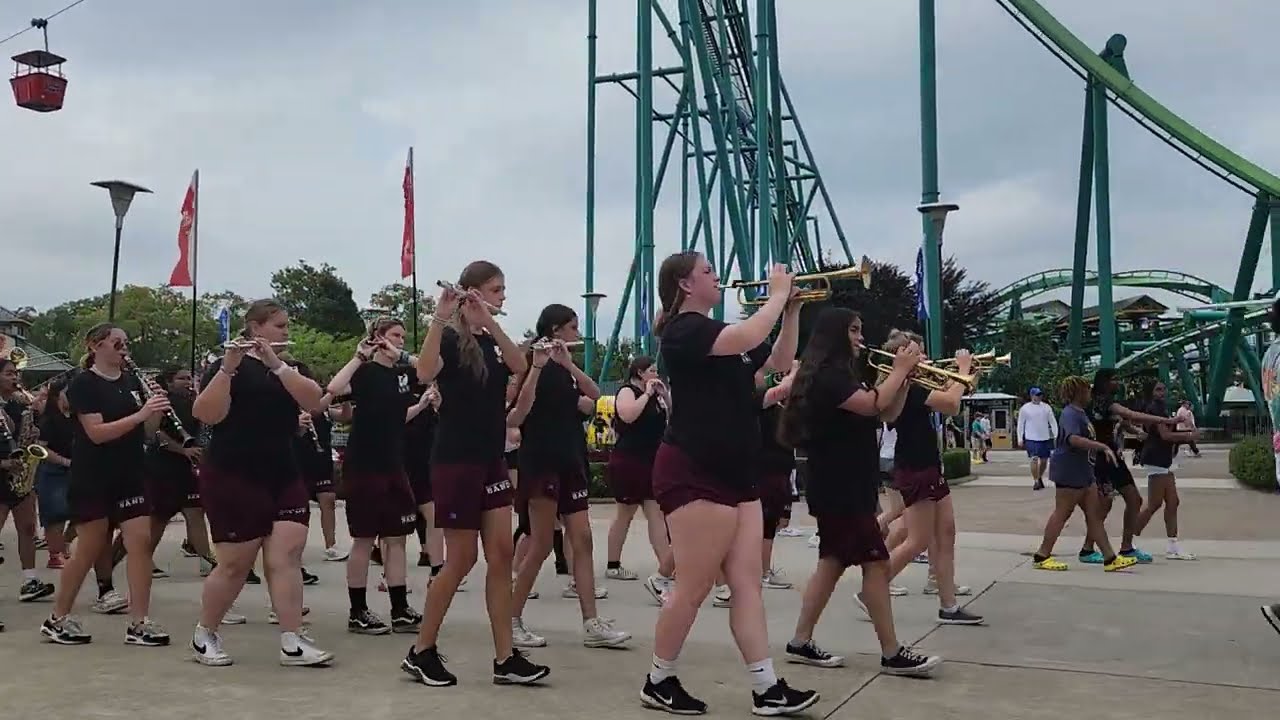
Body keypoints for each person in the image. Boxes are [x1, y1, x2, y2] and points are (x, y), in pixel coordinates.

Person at [640, 252, 817, 716]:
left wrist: (792, 310)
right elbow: (748, 333)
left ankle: (766, 686)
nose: (717, 278)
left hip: (738, 472)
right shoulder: (685, 330)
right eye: (707, 272)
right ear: (684, 284)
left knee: (747, 584)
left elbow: (776, 358)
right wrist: (777, 296)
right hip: (695, 469)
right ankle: (659, 679)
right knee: (694, 587)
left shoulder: (721, 335)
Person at [403, 260, 550, 687]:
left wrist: (487, 319)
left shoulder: (490, 341)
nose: (503, 297)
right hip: (455, 460)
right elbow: (424, 372)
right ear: (473, 290)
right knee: (462, 558)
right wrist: (440, 315)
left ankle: (505, 658)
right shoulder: (448, 338)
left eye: (503, 290)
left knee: (501, 554)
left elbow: (519, 365)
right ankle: (421, 650)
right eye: (496, 289)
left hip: (490, 459)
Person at [779, 307, 941, 676]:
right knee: (876, 562)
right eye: (854, 330)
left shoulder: (841, 374)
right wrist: (898, 370)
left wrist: (902, 380)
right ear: (837, 334)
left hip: (846, 483)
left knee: (832, 563)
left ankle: (800, 641)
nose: (860, 338)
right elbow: (870, 404)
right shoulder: (828, 377)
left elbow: (885, 414)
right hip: (840, 486)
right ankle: (891, 651)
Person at [190, 300, 333, 667]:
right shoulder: (226, 367)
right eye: (279, 326)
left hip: (282, 470)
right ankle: (205, 632)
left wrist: (277, 364)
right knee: (236, 564)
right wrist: (227, 369)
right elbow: (207, 414)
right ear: (256, 328)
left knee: (286, 555)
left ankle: (292, 640)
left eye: (287, 325)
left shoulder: (288, 368)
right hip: (233, 472)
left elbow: (314, 401)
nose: (287, 332)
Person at [507, 304, 629, 649]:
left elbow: (593, 397)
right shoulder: (530, 365)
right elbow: (517, 414)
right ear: (556, 330)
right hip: (540, 461)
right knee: (542, 543)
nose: (578, 335)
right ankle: (512, 618)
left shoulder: (563, 368)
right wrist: (539, 365)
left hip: (570, 459)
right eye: (573, 328)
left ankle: (592, 623)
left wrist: (568, 363)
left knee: (584, 540)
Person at [41, 323, 169, 646]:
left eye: (125, 343)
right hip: (94, 475)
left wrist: (155, 407)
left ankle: (139, 622)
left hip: (131, 474)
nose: (124, 348)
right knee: (89, 548)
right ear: (95, 346)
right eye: (116, 343)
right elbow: (97, 434)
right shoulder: (84, 384)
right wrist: (141, 414)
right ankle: (57, 618)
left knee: (140, 542)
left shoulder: (131, 381)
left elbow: (149, 431)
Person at [327, 317, 423, 635]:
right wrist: (359, 356)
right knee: (365, 540)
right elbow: (334, 390)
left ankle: (400, 609)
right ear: (378, 338)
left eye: (403, 336)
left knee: (396, 538)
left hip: (395, 464)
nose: (400, 340)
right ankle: (358, 611)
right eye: (395, 335)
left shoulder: (404, 373)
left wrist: (421, 403)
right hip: (364, 465)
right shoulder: (365, 372)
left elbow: (430, 373)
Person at [1030, 376, 1138, 572]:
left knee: (1094, 515)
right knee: (1063, 513)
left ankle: (1110, 558)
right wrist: (1101, 446)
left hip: (1083, 472)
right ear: (1079, 392)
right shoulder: (1070, 414)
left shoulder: (1080, 413)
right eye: (1087, 389)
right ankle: (1042, 555)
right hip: (1069, 471)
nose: (1090, 392)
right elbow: (1073, 439)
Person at [1075, 369, 1179, 565]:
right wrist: (1167, 421)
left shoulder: (1107, 403)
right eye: (1113, 380)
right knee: (1104, 505)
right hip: (1100, 458)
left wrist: (1135, 431)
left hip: (1114, 457)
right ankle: (1087, 550)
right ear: (1104, 382)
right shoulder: (1102, 401)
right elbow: (1129, 414)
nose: (1117, 383)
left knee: (1134, 499)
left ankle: (1127, 547)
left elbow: (1120, 422)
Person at [604, 356, 673, 590]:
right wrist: (646, 394)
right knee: (625, 512)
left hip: (652, 460)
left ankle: (667, 565)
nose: (655, 374)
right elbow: (628, 415)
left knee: (656, 513)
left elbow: (672, 418)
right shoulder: (628, 391)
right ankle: (613, 564)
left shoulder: (656, 396)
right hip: (629, 460)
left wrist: (664, 396)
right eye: (651, 370)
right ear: (640, 373)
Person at [1, 357, 56, 609]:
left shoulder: (18, 405)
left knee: (27, 529)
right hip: (2, 474)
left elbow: (25, 433)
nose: (15, 378)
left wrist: (33, 433)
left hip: (19, 476)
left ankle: (30, 581)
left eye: (15, 374)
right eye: (9, 373)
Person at [1133, 381, 1200, 561]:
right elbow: (1165, 435)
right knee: (1154, 504)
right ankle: (1129, 541)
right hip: (1156, 458)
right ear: (1151, 392)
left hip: (1162, 459)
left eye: (1163, 389)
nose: (1162, 392)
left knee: (1173, 502)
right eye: (1158, 389)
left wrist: (1178, 423)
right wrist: (1189, 436)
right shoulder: (1153, 408)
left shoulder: (1159, 408)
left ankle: (1172, 545)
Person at [1017, 387, 1058, 490]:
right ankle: (1036, 481)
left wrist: (1056, 435)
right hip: (1031, 438)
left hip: (1044, 438)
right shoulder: (1025, 408)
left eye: (1040, 395)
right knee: (1034, 459)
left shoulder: (1046, 407)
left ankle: (1039, 477)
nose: (1039, 397)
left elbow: (1052, 422)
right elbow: (1020, 424)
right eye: (1037, 395)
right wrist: (1020, 438)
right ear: (1032, 396)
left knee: (1044, 461)